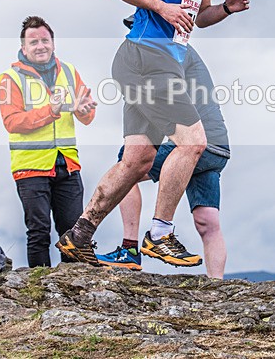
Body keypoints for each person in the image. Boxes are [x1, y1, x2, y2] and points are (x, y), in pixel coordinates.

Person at [56, 0, 249, 267]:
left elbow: (198, 16)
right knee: (193, 142)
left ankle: (80, 234)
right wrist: (160, 7)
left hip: (162, 60)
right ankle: (159, 234)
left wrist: (225, 10)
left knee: (139, 160)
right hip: (146, 56)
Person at [97, 40, 231, 278]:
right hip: (218, 146)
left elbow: (161, 96)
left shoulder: (167, 50)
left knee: (128, 167)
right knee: (207, 220)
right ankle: (217, 285)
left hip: (196, 143)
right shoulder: (184, 52)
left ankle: (129, 250)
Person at [0, 16, 97, 267]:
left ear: (53, 43)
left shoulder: (70, 72)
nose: (40, 46)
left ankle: (76, 288)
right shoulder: (10, 78)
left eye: (45, 40)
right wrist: (50, 111)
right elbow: (12, 122)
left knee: (74, 234)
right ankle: (38, 289)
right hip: (30, 166)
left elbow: (87, 116)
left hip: (68, 164)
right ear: (23, 48)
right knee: (39, 231)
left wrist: (83, 110)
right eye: (34, 42)